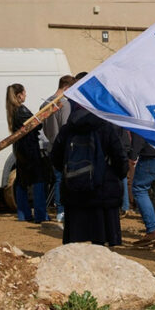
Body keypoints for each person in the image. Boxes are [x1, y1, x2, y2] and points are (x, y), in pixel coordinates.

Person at [50, 103, 127, 246]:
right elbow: (119, 156)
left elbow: (55, 157)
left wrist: (71, 173)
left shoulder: (67, 130)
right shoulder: (105, 127)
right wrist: (118, 174)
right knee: (101, 243)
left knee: (75, 243)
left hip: (74, 194)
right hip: (102, 192)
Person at [5, 83, 53, 223]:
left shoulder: (13, 110)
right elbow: (36, 124)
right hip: (29, 149)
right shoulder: (22, 111)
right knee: (38, 180)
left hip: (20, 149)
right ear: (19, 95)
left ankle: (24, 213)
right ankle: (40, 214)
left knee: (22, 181)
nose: (26, 95)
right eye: (24, 93)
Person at [41, 75, 75, 222]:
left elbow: (44, 128)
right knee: (63, 180)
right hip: (63, 147)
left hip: (51, 146)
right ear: (67, 88)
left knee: (57, 179)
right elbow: (66, 127)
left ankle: (60, 209)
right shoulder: (64, 104)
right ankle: (62, 210)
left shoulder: (45, 103)